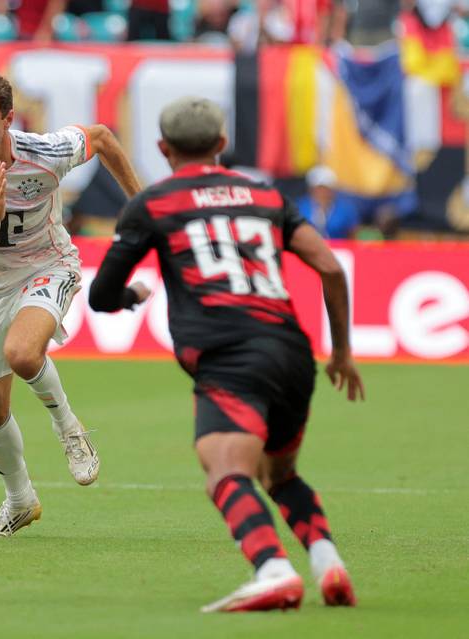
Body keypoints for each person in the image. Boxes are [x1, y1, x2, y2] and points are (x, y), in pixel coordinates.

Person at [89, 97, 364, 612]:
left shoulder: (152, 204)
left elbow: (101, 295)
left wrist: (133, 298)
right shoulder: (263, 193)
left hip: (228, 355)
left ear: (162, 148)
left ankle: (273, 570)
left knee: (224, 469)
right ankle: (328, 564)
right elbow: (328, 265)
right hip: (292, 351)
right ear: (220, 145)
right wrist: (343, 353)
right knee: (279, 474)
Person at [0, 71, 141, 537]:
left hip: (48, 266)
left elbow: (101, 137)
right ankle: (20, 501)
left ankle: (70, 429)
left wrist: (139, 205)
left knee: (22, 354)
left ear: (7, 119)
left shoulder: (45, 153)